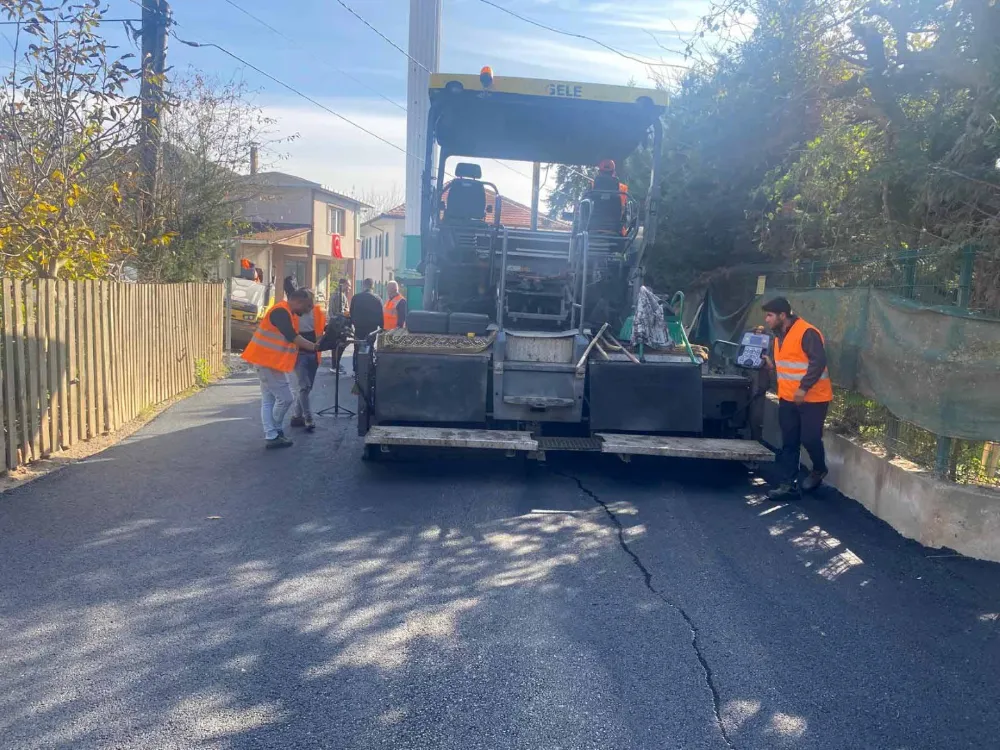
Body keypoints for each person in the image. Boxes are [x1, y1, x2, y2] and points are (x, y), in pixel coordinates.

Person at [762, 296, 834, 498]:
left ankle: (819, 469)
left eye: (769, 315)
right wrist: (771, 366)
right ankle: (788, 486)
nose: (766, 320)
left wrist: (803, 388)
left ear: (782, 315)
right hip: (788, 398)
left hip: (814, 398)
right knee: (789, 442)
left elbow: (817, 363)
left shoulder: (807, 332)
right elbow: (791, 363)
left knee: (810, 438)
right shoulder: (778, 336)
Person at [241, 288, 319, 449]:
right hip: (266, 362)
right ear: (299, 301)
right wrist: (315, 347)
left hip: (268, 362)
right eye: (308, 305)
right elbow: (292, 337)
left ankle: (272, 434)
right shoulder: (280, 312)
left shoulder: (286, 312)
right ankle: (274, 431)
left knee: (269, 400)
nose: (309, 310)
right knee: (286, 398)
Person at [289, 290, 326, 432]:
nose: (308, 307)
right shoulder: (292, 313)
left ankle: (296, 415)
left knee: (307, 387)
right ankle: (308, 418)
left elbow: (321, 332)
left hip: (314, 354)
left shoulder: (318, 312)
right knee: (304, 386)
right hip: (298, 353)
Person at [349, 278, 384, 374]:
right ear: (373, 286)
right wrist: (381, 327)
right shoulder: (377, 298)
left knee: (357, 348)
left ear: (363, 286)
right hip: (371, 329)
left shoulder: (356, 297)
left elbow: (351, 313)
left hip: (359, 328)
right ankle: (368, 369)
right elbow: (381, 314)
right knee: (370, 348)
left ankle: (356, 369)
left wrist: (352, 324)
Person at [591, 159, 628, 236]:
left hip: (592, 227)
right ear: (613, 172)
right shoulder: (623, 189)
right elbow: (624, 211)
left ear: (600, 172)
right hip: (616, 229)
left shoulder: (592, 187)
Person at [327, 278, 350, 374]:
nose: (349, 287)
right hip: (338, 324)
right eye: (348, 285)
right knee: (340, 344)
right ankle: (335, 365)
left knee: (337, 345)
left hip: (337, 324)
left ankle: (335, 364)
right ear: (342, 284)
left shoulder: (340, 295)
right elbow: (335, 312)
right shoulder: (338, 295)